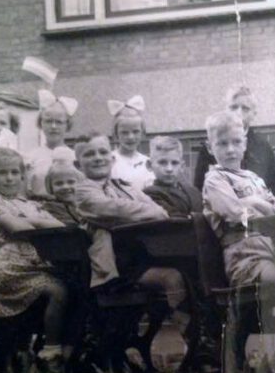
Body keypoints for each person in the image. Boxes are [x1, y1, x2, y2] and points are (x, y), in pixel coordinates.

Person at [201, 110, 275, 371]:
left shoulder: (254, 179)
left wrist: (260, 204)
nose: (230, 149)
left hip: (272, 249)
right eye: (222, 143)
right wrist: (259, 204)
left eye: (236, 142)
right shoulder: (215, 179)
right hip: (245, 256)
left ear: (245, 144)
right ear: (210, 147)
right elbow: (233, 212)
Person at [74, 134, 191, 340]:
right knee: (172, 277)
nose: (98, 158)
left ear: (112, 158)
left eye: (103, 152)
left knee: (190, 272)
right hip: (114, 265)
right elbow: (113, 209)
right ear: (78, 164)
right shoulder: (83, 191)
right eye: (89, 154)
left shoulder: (124, 186)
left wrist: (149, 212)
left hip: (139, 256)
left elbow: (156, 209)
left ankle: (192, 333)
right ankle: (185, 336)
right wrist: (149, 212)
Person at [0, 147, 69, 365]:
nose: (9, 178)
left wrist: (29, 219)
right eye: (2, 173)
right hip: (12, 265)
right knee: (58, 292)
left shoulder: (29, 204)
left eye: (14, 172)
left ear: (22, 176)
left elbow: (59, 225)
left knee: (74, 285)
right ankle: (51, 349)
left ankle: (63, 343)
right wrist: (37, 222)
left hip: (37, 261)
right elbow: (18, 228)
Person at [193, 86, 275, 194]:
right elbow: (199, 188)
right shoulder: (212, 146)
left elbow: (274, 185)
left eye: (245, 108)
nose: (239, 113)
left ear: (254, 114)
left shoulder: (263, 147)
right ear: (226, 110)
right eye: (234, 107)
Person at [25, 90, 77, 197]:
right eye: (48, 121)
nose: (53, 126)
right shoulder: (30, 157)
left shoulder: (75, 157)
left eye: (59, 122)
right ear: (41, 123)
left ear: (67, 125)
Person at [143, 136, 203, 217]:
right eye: (162, 162)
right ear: (150, 165)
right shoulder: (150, 194)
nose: (169, 169)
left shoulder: (193, 191)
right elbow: (174, 219)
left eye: (174, 163)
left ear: (182, 166)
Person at [108, 95, 155, 190]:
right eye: (124, 132)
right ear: (116, 134)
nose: (130, 137)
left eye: (135, 132)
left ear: (143, 133)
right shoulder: (110, 160)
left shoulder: (148, 162)